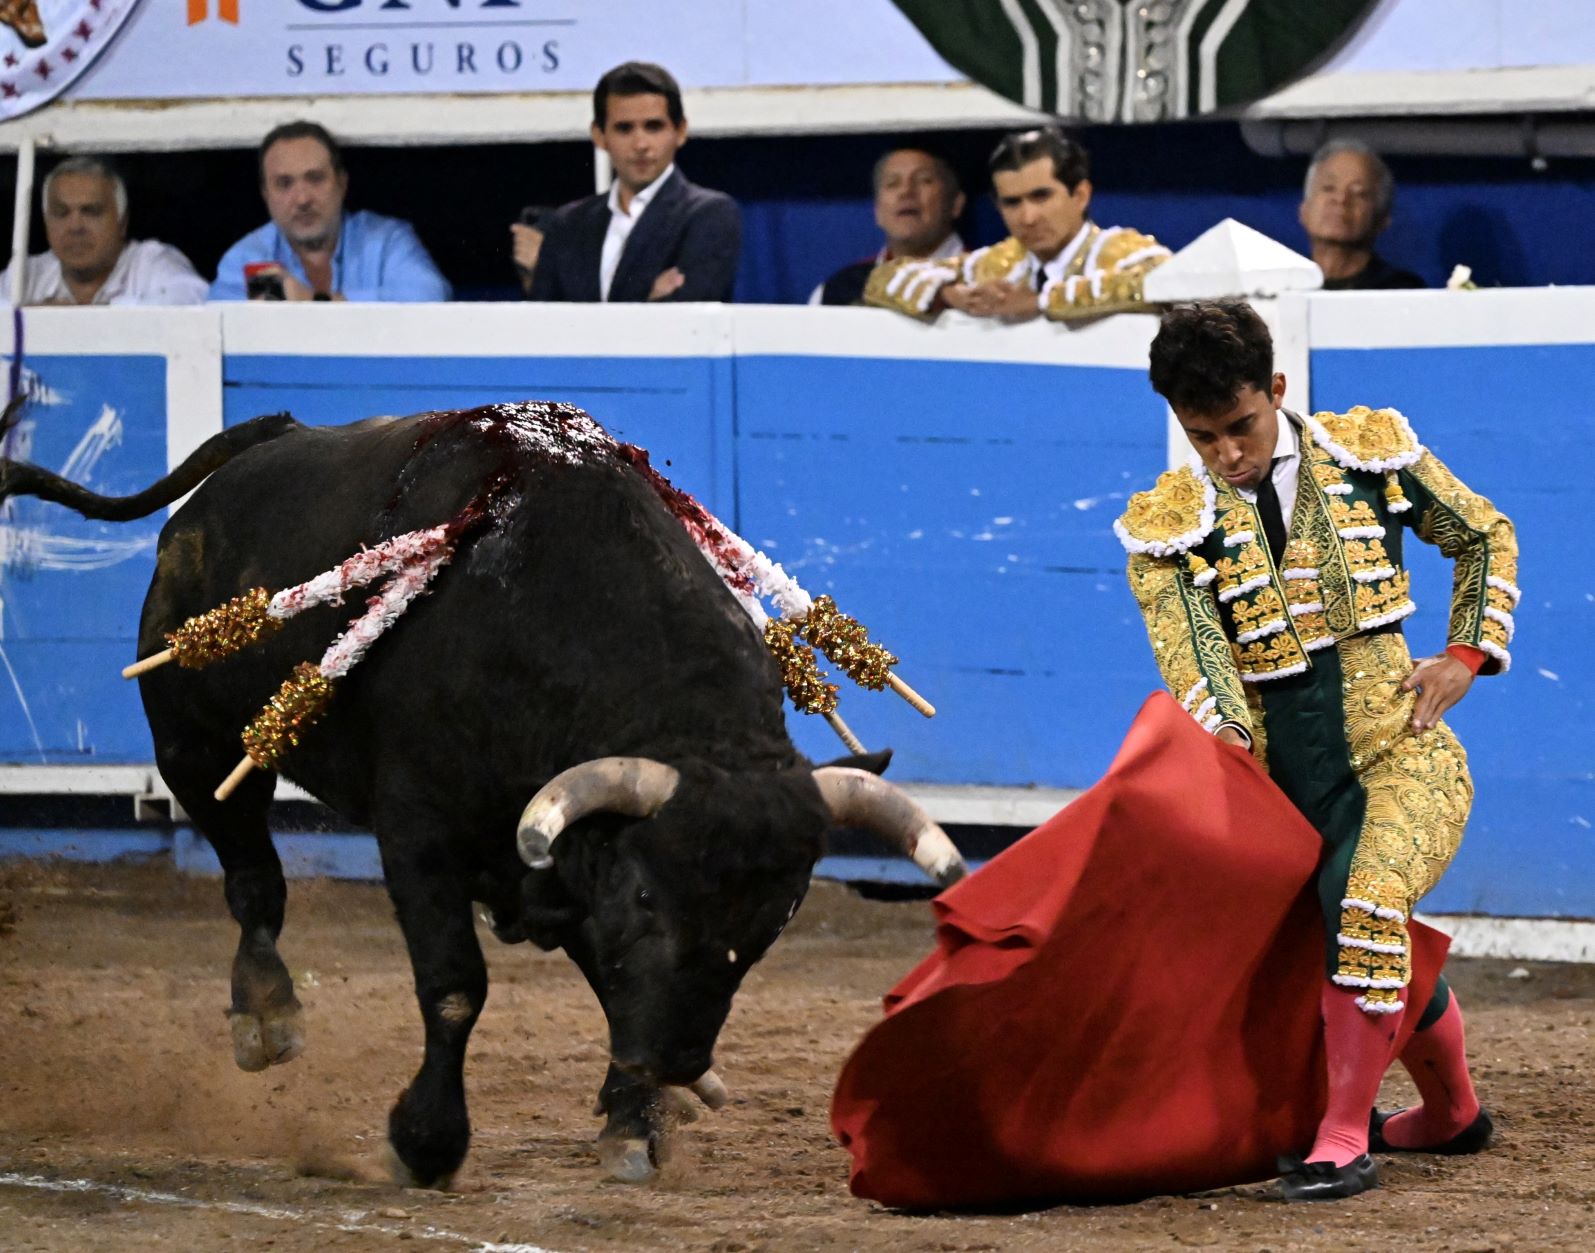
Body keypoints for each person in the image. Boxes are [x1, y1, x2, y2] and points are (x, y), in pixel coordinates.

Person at [1118, 298, 1512, 1199]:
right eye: (1202, 436)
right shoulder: (1170, 527)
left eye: (1240, 426)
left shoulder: (1366, 456)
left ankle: (1341, 1136)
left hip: (1402, 753)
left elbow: (1482, 533)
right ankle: (1452, 1111)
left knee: (1363, 903)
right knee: (1349, 926)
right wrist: (1224, 734)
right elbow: (1194, 651)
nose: (1227, 454)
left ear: (1277, 387)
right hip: (1279, 788)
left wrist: (1462, 654)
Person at [864, 128, 1168, 322]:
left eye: (1041, 196)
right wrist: (947, 294)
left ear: (1080, 195)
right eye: (1012, 202)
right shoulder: (1001, 263)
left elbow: (1168, 285)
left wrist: (1040, 302)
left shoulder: (1121, 252)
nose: (1028, 217)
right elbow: (881, 279)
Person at [525, 61, 741, 304]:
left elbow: (687, 315)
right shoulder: (568, 224)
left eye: (653, 127)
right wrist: (647, 299)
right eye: (624, 129)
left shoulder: (709, 214)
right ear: (600, 136)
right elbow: (546, 320)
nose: (640, 145)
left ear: (680, 131)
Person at [209, 121, 451, 303]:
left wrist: (311, 302)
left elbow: (429, 296)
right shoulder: (248, 257)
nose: (302, 199)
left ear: (342, 183)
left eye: (315, 179)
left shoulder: (385, 240)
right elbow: (220, 329)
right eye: (284, 184)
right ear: (265, 194)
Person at [2, 156, 207, 306]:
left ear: (122, 222)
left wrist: (82, 317)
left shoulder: (151, 262)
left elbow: (194, 299)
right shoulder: (27, 274)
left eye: (91, 212)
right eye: (61, 213)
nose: (75, 227)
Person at [808, 147, 965, 307]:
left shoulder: (977, 283)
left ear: (955, 204)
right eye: (892, 184)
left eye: (924, 181)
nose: (906, 191)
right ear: (877, 211)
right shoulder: (837, 292)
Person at [1300, 139, 1423, 291]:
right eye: (1328, 188)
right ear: (1304, 211)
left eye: (1359, 193)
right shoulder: (1283, 286)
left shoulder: (1400, 291)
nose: (1341, 199)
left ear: (1382, 219)